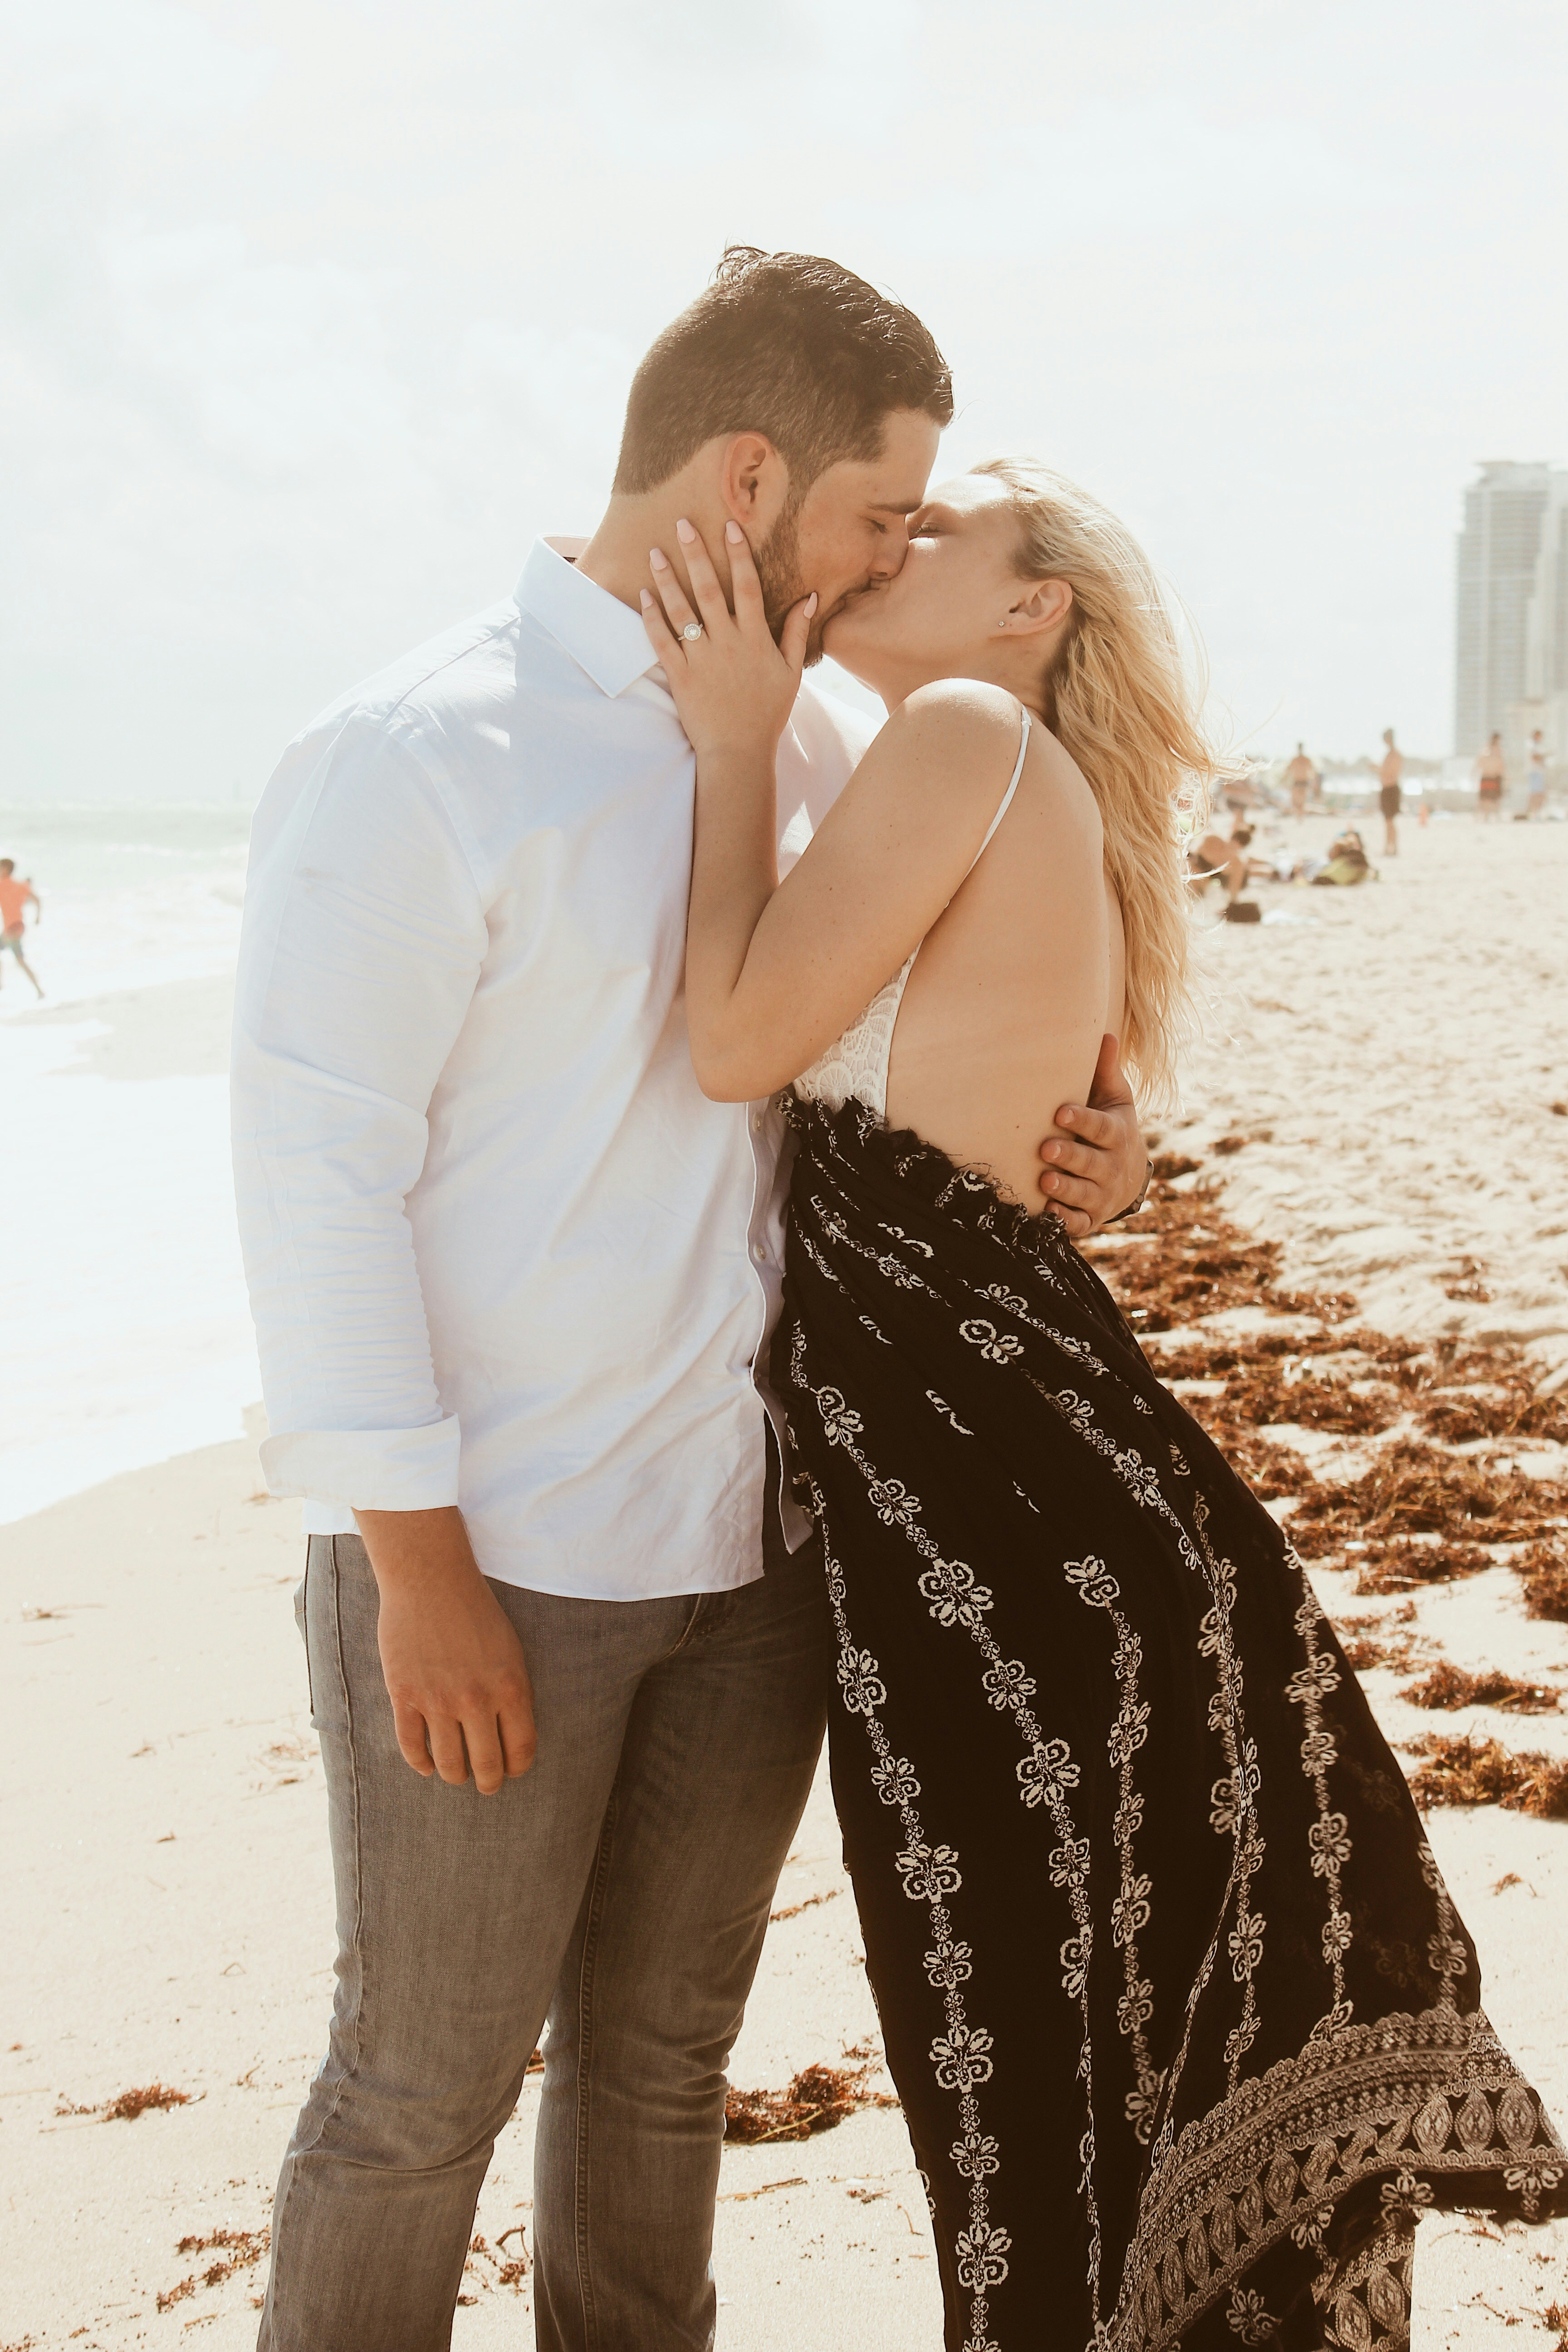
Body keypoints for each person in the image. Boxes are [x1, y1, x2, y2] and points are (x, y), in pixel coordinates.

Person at [230, 250, 1148, 2352]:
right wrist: (414, 1562)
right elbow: (314, 1177)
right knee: (416, 2095)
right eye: (873, 515)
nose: (890, 556)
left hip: (754, 1558)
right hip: (496, 1555)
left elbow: (923, 1041)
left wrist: (1093, 1150)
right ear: (745, 476)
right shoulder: (414, 751)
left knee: (653, 2085)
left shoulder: (827, 737)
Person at [643, 469, 1567, 2352]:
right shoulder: (985, 770)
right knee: (1055, 2074)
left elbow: (736, 1040)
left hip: (1013, 1533)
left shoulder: (964, 734)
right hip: (1029, 1518)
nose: (888, 551)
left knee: (1030, 2077)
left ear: (1028, 611)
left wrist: (730, 743)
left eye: (936, 536)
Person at [0, 858, 44, 997]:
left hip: (12, 929)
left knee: (20, 960)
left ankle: (39, 990)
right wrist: (37, 918)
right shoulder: (20, 886)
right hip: (17, 927)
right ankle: (39, 990)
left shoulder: (2, 885)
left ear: (6, 869)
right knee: (19, 960)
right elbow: (37, 900)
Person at [1377, 726, 1403, 854]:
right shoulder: (1391, 754)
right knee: (1389, 821)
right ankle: (1390, 847)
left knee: (1390, 821)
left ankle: (1391, 847)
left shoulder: (1395, 755)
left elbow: (1389, 773)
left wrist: (1377, 769)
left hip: (1391, 789)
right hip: (1388, 788)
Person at [1474, 730, 1506, 818]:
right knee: (1484, 799)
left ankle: (1496, 816)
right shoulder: (1486, 750)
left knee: (1495, 798)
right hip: (1487, 776)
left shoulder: (1499, 751)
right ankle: (1484, 816)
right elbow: (1479, 763)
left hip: (1495, 777)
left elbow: (1502, 765)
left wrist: (1503, 776)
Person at [1284, 741, 1317, 818]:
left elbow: (1312, 771)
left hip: (1304, 782)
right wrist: (1285, 781)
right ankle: (1299, 816)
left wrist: (1315, 782)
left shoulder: (1306, 760)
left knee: (1302, 801)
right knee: (1296, 801)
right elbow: (1288, 771)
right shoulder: (1295, 760)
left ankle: (1300, 816)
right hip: (1297, 782)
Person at [1528, 727, 1548, 817]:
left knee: (1541, 793)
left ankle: (1538, 811)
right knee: (1535, 793)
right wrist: (1543, 757)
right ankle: (1533, 811)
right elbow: (1535, 757)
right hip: (1534, 772)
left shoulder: (1540, 746)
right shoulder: (1531, 745)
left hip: (1540, 772)